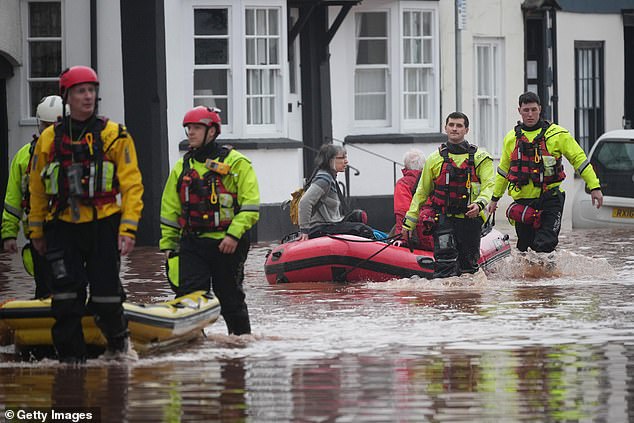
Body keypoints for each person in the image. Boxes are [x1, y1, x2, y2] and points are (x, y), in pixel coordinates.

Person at [28, 65, 144, 363]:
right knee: (65, 300)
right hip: (61, 226)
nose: (88, 96)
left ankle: (119, 346)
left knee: (106, 298)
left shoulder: (115, 135)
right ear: (67, 96)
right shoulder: (48, 140)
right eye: (81, 91)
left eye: (92, 90)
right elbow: (37, 189)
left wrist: (128, 229)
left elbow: (132, 185)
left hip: (103, 224)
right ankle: (72, 367)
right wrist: (36, 231)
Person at [159, 106, 259, 336]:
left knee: (230, 298)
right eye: (188, 128)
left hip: (227, 244)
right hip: (192, 243)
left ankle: (240, 342)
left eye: (196, 128)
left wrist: (233, 235)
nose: (190, 133)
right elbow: (170, 210)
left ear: (212, 132)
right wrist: (168, 245)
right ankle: (193, 344)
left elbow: (251, 206)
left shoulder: (237, 164)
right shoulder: (181, 168)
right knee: (189, 299)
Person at [487, 92, 603, 253]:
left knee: (544, 245)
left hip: (550, 199)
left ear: (540, 109)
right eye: (526, 110)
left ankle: (549, 277)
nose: (530, 114)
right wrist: (494, 199)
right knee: (525, 249)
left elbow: (579, 160)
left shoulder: (557, 134)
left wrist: (594, 187)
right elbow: (503, 171)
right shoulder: (511, 138)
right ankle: (534, 277)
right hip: (523, 201)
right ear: (519, 110)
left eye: (534, 110)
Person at [402, 112, 494, 277]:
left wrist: (480, 203)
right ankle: (445, 300)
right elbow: (421, 192)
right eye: (451, 125)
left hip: (470, 220)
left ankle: (468, 301)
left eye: (459, 126)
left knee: (468, 269)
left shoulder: (481, 158)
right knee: (444, 267)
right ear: (445, 128)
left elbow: (489, 186)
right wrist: (409, 222)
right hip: (443, 219)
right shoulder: (434, 159)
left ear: (466, 129)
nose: (454, 129)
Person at [2, 95, 66, 299]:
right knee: (49, 283)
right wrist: (9, 233)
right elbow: (13, 200)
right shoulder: (24, 156)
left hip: (65, 230)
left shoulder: (74, 151)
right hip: (43, 230)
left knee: (64, 284)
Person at [297, 144, 374, 241]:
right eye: (342, 158)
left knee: (359, 216)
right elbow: (305, 202)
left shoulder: (330, 177)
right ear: (330, 160)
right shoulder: (323, 180)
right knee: (363, 230)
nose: (346, 161)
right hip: (321, 228)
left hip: (331, 224)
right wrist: (304, 230)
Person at [392, 149, 433, 250]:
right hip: (431, 234)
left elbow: (402, 212)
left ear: (406, 165)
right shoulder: (431, 181)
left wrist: (401, 239)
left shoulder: (403, 183)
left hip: (416, 236)